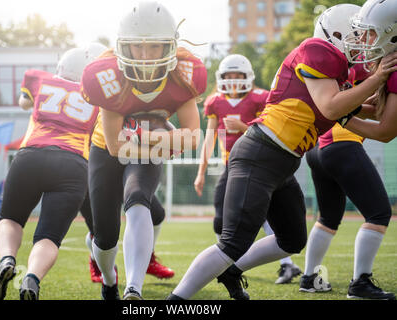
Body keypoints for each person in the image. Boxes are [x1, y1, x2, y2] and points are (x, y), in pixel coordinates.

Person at [167, 2, 397, 300]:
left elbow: (366, 112)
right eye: (355, 34)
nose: (361, 41)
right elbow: (331, 107)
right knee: (233, 241)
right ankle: (176, 301)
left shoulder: (339, 75)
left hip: (283, 161)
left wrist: (386, 91)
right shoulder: (317, 50)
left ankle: (232, 270)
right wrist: (379, 78)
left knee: (291, 238)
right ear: (336, 34)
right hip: (261, 153)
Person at [80, 1, 206, 300]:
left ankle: (132, 288)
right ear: (124, 45)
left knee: (138, 200)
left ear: (170, 46)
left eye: (155, 47)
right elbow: (115, 145)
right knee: (106, 236)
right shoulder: (107, 76)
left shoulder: (183, 74)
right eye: (138, 47)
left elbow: (192, 138)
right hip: (105, 151)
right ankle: (109, 278)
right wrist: (161, 138)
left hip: (145, 150)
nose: (146, 55)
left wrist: (144, 138)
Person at [0, 46, 99, 300]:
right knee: (49, 236)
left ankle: (6, 260)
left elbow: (24, 102)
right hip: (73, 163)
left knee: (11, 219)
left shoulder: (40, 79)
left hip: (31, 156)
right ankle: (32, 277)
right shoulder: (97, 98)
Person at [301, 0, 396, 300]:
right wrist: (345, 116)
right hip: (340, 145)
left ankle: (308, 278)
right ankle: (360, 283)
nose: (364, 42)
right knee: (379, 212)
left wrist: (348, 113)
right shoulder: (376, 66)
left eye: (368, 34)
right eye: (359, 34)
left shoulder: (352, 68)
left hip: (319, 148)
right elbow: (385, 131)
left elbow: (374, 112)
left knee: (328, 217)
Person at [194, 54, 300, 290]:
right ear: (221, 78)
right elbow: (210, 138)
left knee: (258, 216)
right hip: (230, 165)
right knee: (223, 220)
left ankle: (284, 263)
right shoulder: (215, 102)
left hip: (257, 163)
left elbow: (271, 127)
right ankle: (229, 262)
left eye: (237, 76)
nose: (233, 80)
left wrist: (243, 127)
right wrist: (201, 172)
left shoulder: (260, 98)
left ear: (247, 77)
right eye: (228, 76)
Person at [84, 194, 175, 283]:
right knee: (101, 231)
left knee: (156, 213)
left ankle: (148, 260)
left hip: (125, 179)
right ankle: (97, 263)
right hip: (96, 180)